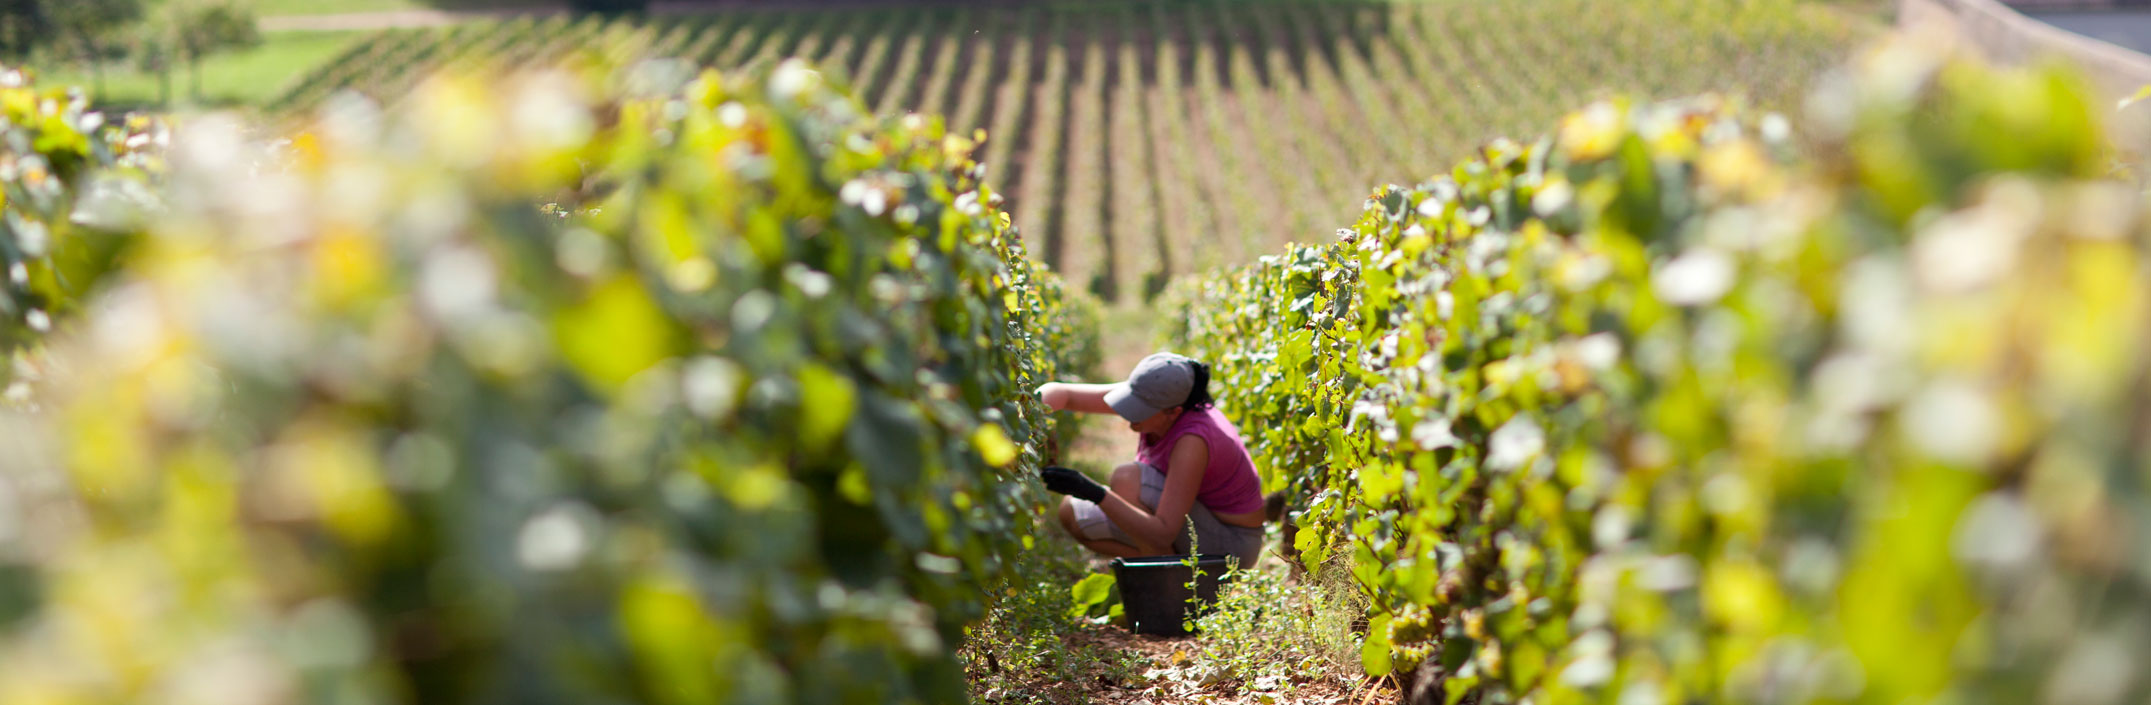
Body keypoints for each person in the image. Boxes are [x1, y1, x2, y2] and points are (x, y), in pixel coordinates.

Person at [1035, 352, 1266, 569]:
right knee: (1072, 513)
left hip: (1230, 544)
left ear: (1173, 412)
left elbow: (1164, 532)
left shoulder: (1193, 441)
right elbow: (1063, 394)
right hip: (1192, 522)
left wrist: (1093, 492)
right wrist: (1029, 415)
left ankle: (1170, 584)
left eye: (1140, 409)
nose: (1129, 414)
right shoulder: (1156, 397)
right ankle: (1164, 570)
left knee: (1126, 479)